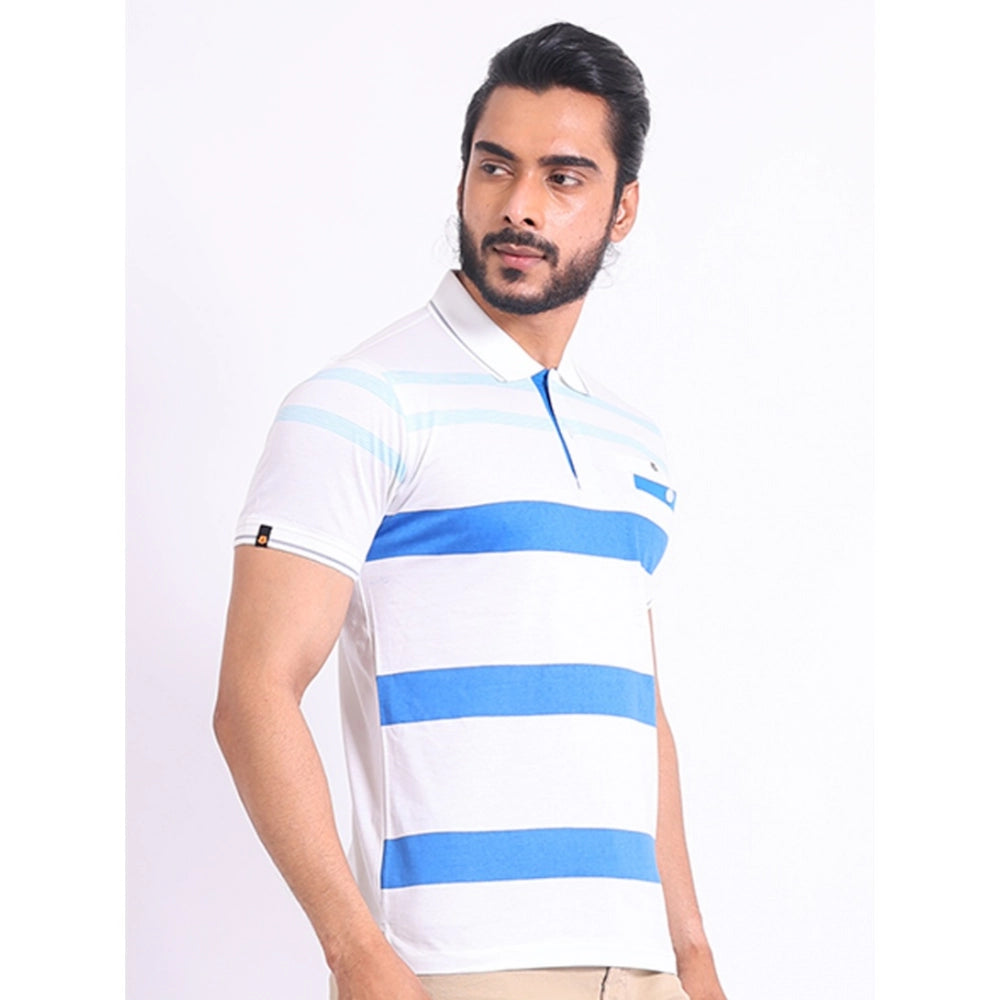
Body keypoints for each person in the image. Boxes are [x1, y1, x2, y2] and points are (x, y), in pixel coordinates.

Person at [214, 21, 728, 1000]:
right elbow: (253, 694)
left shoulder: (632, 441)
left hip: (643, 968)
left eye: (563, 178)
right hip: (457, 968)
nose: (518, 205)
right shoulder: (361, 402)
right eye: (496, 167)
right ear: (463, 179)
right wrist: (356, 953)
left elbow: (637, 714)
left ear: (622, 208)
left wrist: (692, 955)